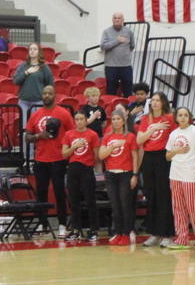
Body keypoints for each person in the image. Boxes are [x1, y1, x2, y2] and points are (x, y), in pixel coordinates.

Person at [23, 85, 73, 238]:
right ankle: (42, 224)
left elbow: (72, 134)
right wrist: (39, 135)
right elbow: (27, 137)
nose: (47, 96)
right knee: (41, 193)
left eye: (50, 93)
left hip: (59, 159)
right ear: (41, 95)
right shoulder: (35, 114)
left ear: (54, 95)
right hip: (40, 160)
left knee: (59, 192)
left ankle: (62, 225)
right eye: (44, 93)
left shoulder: (63, 113)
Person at [164, 107, 195, 250]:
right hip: (175, 175)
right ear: (176, 118)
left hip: (190, 175)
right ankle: (182, 238)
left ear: (190, 117)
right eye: (180, 115)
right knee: (178, 208)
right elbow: (167, 156)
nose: (183, 117)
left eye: (185, 115)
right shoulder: (173, 134)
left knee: (193, 208)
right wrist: (176, 151)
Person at [138, 92, 177, 247]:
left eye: (157, 100)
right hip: (148, 158)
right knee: (151, 195)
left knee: (164, 196)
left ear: (163, 102)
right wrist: (154, 129)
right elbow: (140, 139)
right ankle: (154, 233)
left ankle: (167, 234)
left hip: (164, 157)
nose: (154, 103)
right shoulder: (145, 119)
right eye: (152, 100)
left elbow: (175, 137)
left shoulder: (170, 118)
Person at [100, 110, 140, 246]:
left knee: (125, 205)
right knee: (115, 206)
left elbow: (135, 157)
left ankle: (126, 233)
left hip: (126, 174)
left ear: (123, 121)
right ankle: (117, 233)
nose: (116, 121)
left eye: (118, 119)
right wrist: (112, 146)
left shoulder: (130, 137)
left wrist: (135, 175)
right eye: (114, 119)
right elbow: (101, 155)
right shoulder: (107, 137)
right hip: (111, 174)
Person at [62, 110, 101, 243]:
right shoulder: (69, 134)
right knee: (74, 201)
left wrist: (91, 166)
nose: (79, 121)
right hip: (73, 168)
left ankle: (94, 230)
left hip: (87, 169)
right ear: (74, 121)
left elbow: (97, 155)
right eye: (77, 119)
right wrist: (74, 147)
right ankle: (75, 230)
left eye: (81, 119)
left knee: (90, 200)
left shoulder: (92, 135)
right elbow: (64, 154)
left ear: (86, 120)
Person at [12, 42, 54, 135]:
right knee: (24, 128)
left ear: (39, 52)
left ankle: (35, 149)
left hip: (38, 101)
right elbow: (15, 81)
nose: (32, 51)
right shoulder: (23, 66)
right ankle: (25, 149)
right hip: (24, 101)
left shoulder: (44, 67)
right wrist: (26, 72)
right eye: (30, 49)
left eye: (34, 49)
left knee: (36, 127)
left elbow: (50, 85)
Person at [100, 12, 135, 97]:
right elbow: (103, 46)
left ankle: (128, 108)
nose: (117, 19)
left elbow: (132, 46)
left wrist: (123, 54)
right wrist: (117, 41)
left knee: (128, 91)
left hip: (125, 66)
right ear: (112, 20)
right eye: (115, 18)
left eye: (119, 18)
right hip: (111, 66)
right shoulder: (107, 31)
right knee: (111, 90)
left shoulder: (128, 31)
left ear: (123, 20)